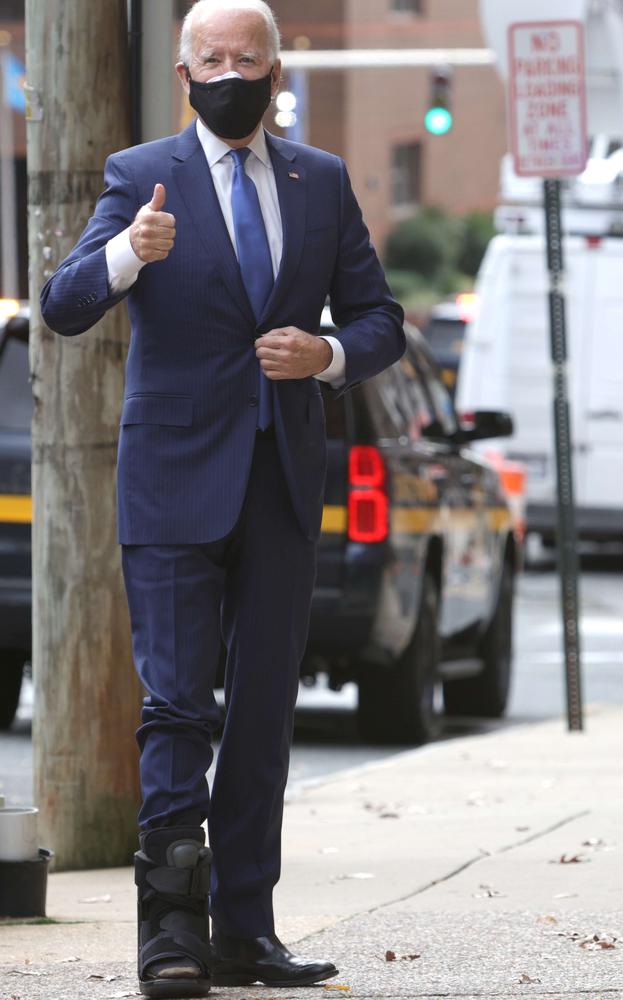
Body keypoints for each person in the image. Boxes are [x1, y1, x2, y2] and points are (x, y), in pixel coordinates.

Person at [40, 0, 405, 996]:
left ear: (276, 72)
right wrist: (128, 256)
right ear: (184, 72)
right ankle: (170, 934)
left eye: (248, 57)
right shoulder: (136, 177)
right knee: (174, 703)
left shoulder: (319, 183)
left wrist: (325, 353)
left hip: (281, 482)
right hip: (170, 483)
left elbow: (381, 319)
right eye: (212, 57)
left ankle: (245, 929)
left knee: (259, 716)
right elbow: (62, 305)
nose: (229, 70)